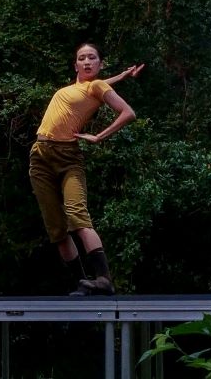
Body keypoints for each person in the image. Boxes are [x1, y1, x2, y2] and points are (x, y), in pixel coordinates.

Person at [29, 42, 143, 295]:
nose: (87, 61)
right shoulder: (82, 87)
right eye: (82, 58)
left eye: (92, 58)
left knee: (77, 217)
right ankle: (81, 283)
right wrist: (122, 76)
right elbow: (95, 86)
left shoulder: (98, 85)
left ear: (100, 64)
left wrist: (99, 136)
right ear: (76, 65)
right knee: (57, 231)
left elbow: (128, 112)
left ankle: (103, 279)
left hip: (68, 156)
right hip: (40, 157)